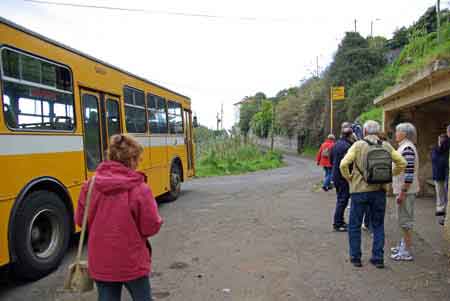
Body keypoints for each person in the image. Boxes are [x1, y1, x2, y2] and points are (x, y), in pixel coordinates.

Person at [75, 134, 163, 301]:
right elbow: (151, 226)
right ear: (131, 160)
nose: (138, 164)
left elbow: (81, 221)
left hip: (101, 263)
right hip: (132, 262)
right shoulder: (139, 188)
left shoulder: (90, 186)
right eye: (137, 159)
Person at [340, 120, 406, 268]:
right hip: (379, 191)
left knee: (355, 225)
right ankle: (378, 258)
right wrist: (390, 174)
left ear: (364, 132)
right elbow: (402, 163)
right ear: (377, 132)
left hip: (359, 191)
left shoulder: (357, 145)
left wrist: (349, 177)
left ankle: (355, 258)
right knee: (378, 225)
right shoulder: (386, 145)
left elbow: (343, 164)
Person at [390, 123, 419, 261]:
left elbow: (409, 173)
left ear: (404, 133)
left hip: (406, 191)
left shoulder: (407, 148)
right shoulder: (404, 146)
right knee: (402, 219)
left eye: (398, 131)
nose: (395, 133)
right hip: (404, 190)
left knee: (405, 221)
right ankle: (403, 245)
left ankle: (406, 251)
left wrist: (402, 192)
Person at [330, 122, 354, 232]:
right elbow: (350, 163)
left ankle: (340, 221)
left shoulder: (335, 144)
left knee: (340, 199)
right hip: (344, 176)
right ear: (350, 135)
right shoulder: (348, 147)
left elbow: (331, 160)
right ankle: (338, 223)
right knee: (343, 200)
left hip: (335, 175)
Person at [432, 134, 449, 216]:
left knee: (444, 193)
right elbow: (435, 159)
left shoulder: (445, 149)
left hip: (444, 174)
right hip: (438, 174)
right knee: (439, 193)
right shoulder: (436, 149)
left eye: (442, 140)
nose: (440, 141)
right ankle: (440, 209)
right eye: (439, 139)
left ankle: (444, 209)